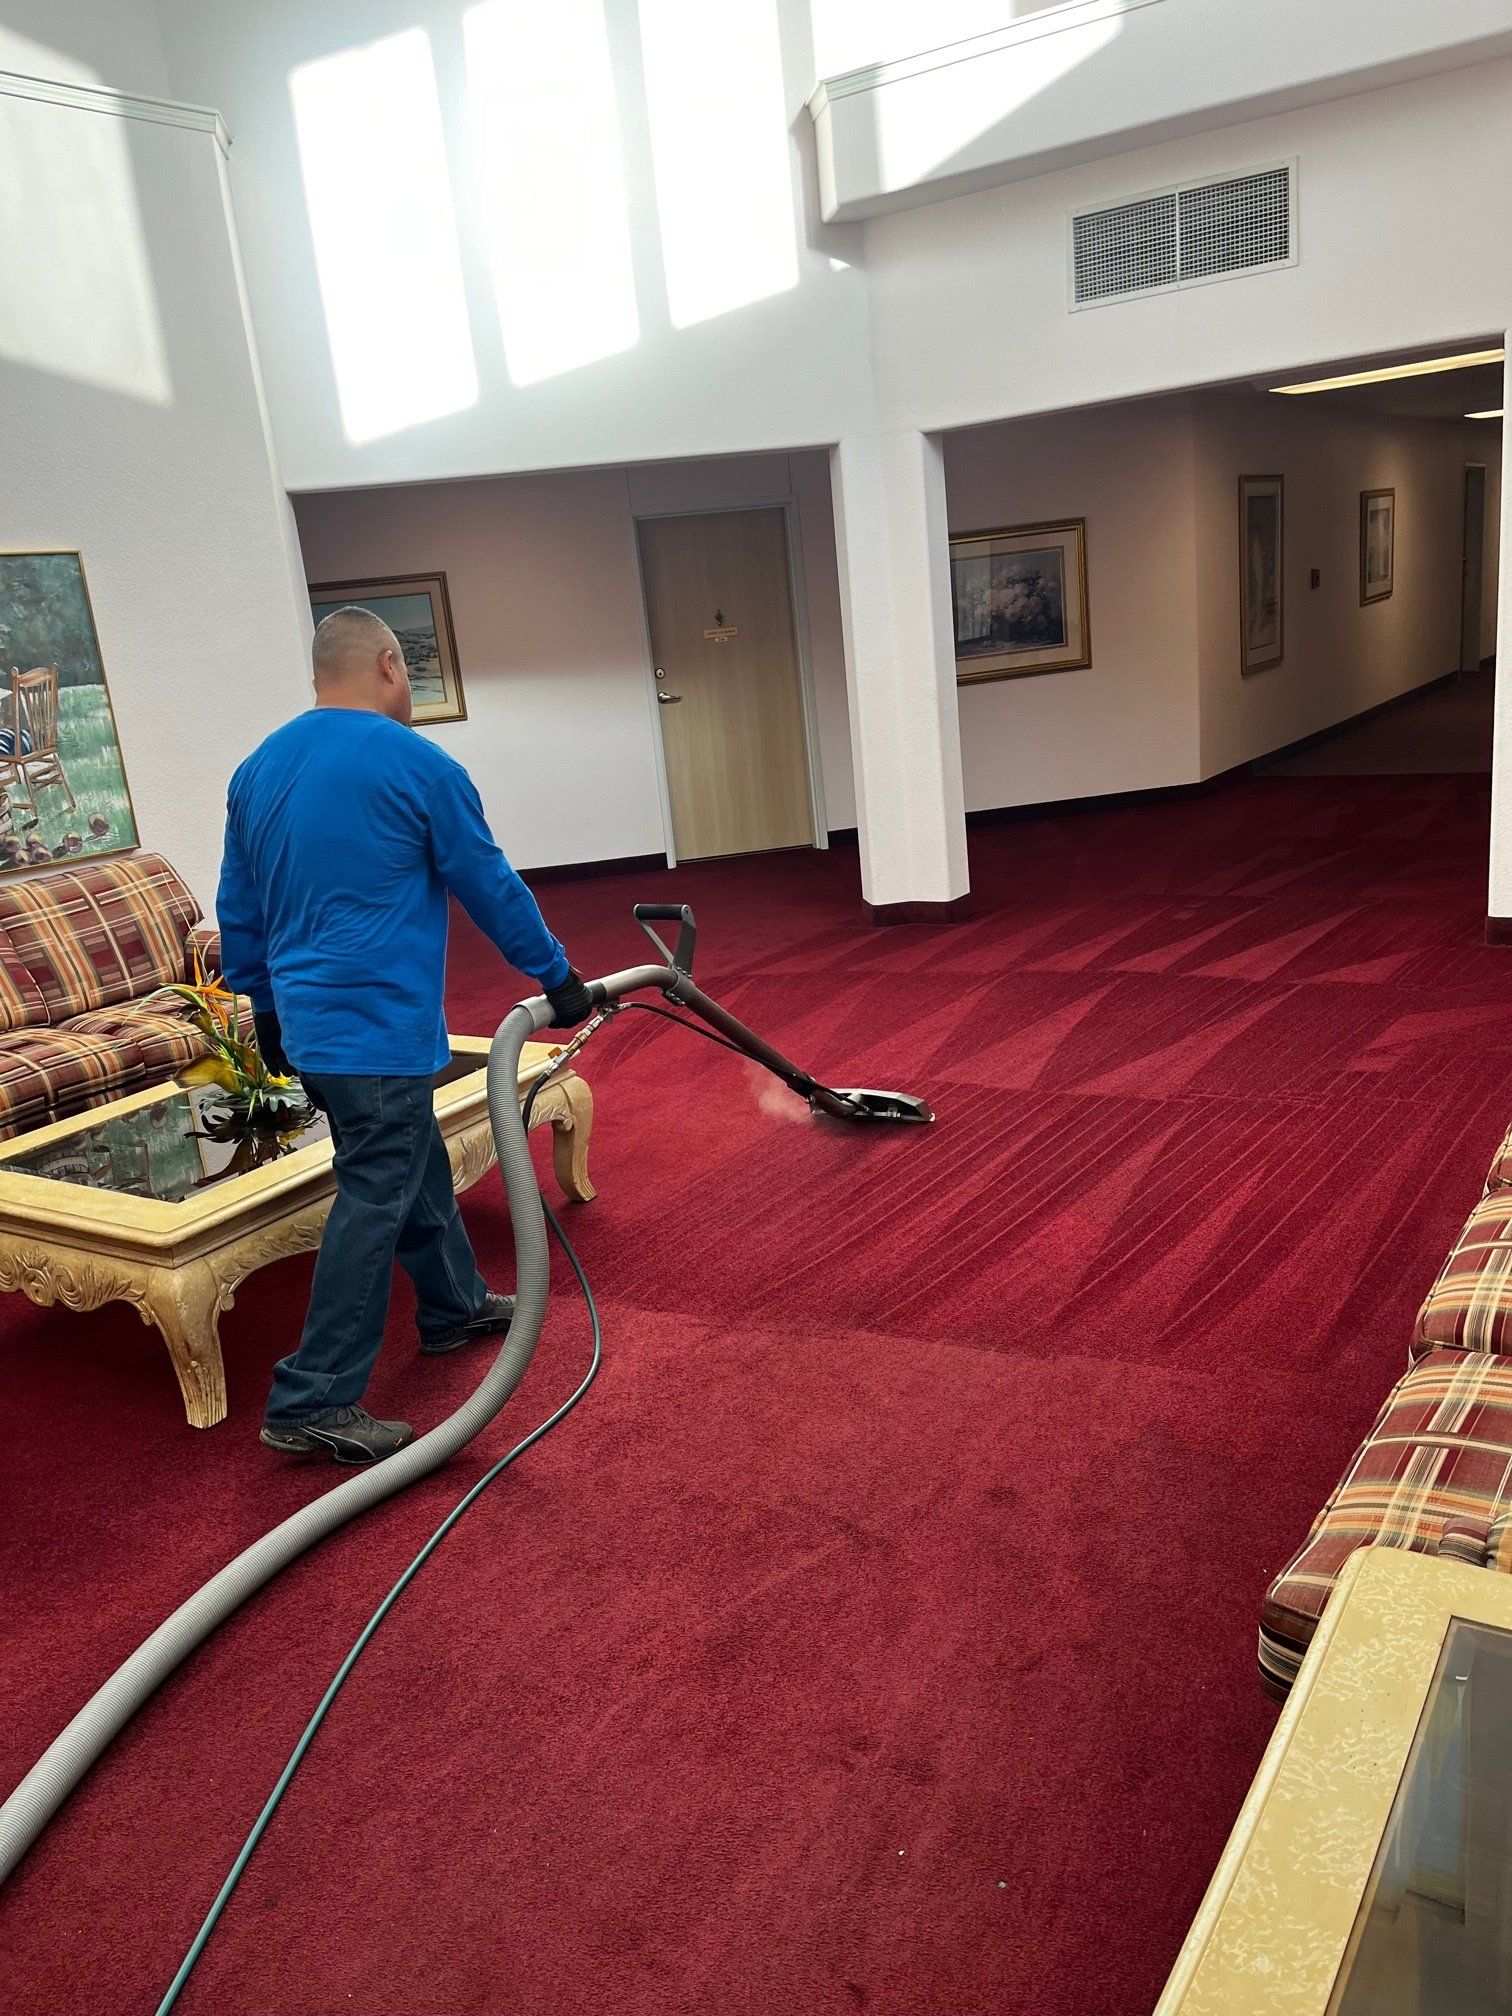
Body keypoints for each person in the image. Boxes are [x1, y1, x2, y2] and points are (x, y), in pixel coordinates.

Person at [217, 606, 594, 1465]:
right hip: (374, 1024)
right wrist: (556, 978)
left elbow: (239, 905)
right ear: (389, 663)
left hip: (310, 1027)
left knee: (407, 1155)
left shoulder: (257, 769)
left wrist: (264, 1008)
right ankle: (313, 1397)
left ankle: (452, 1304)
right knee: (376, 1185)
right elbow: (489, 885)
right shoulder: (421, 765)